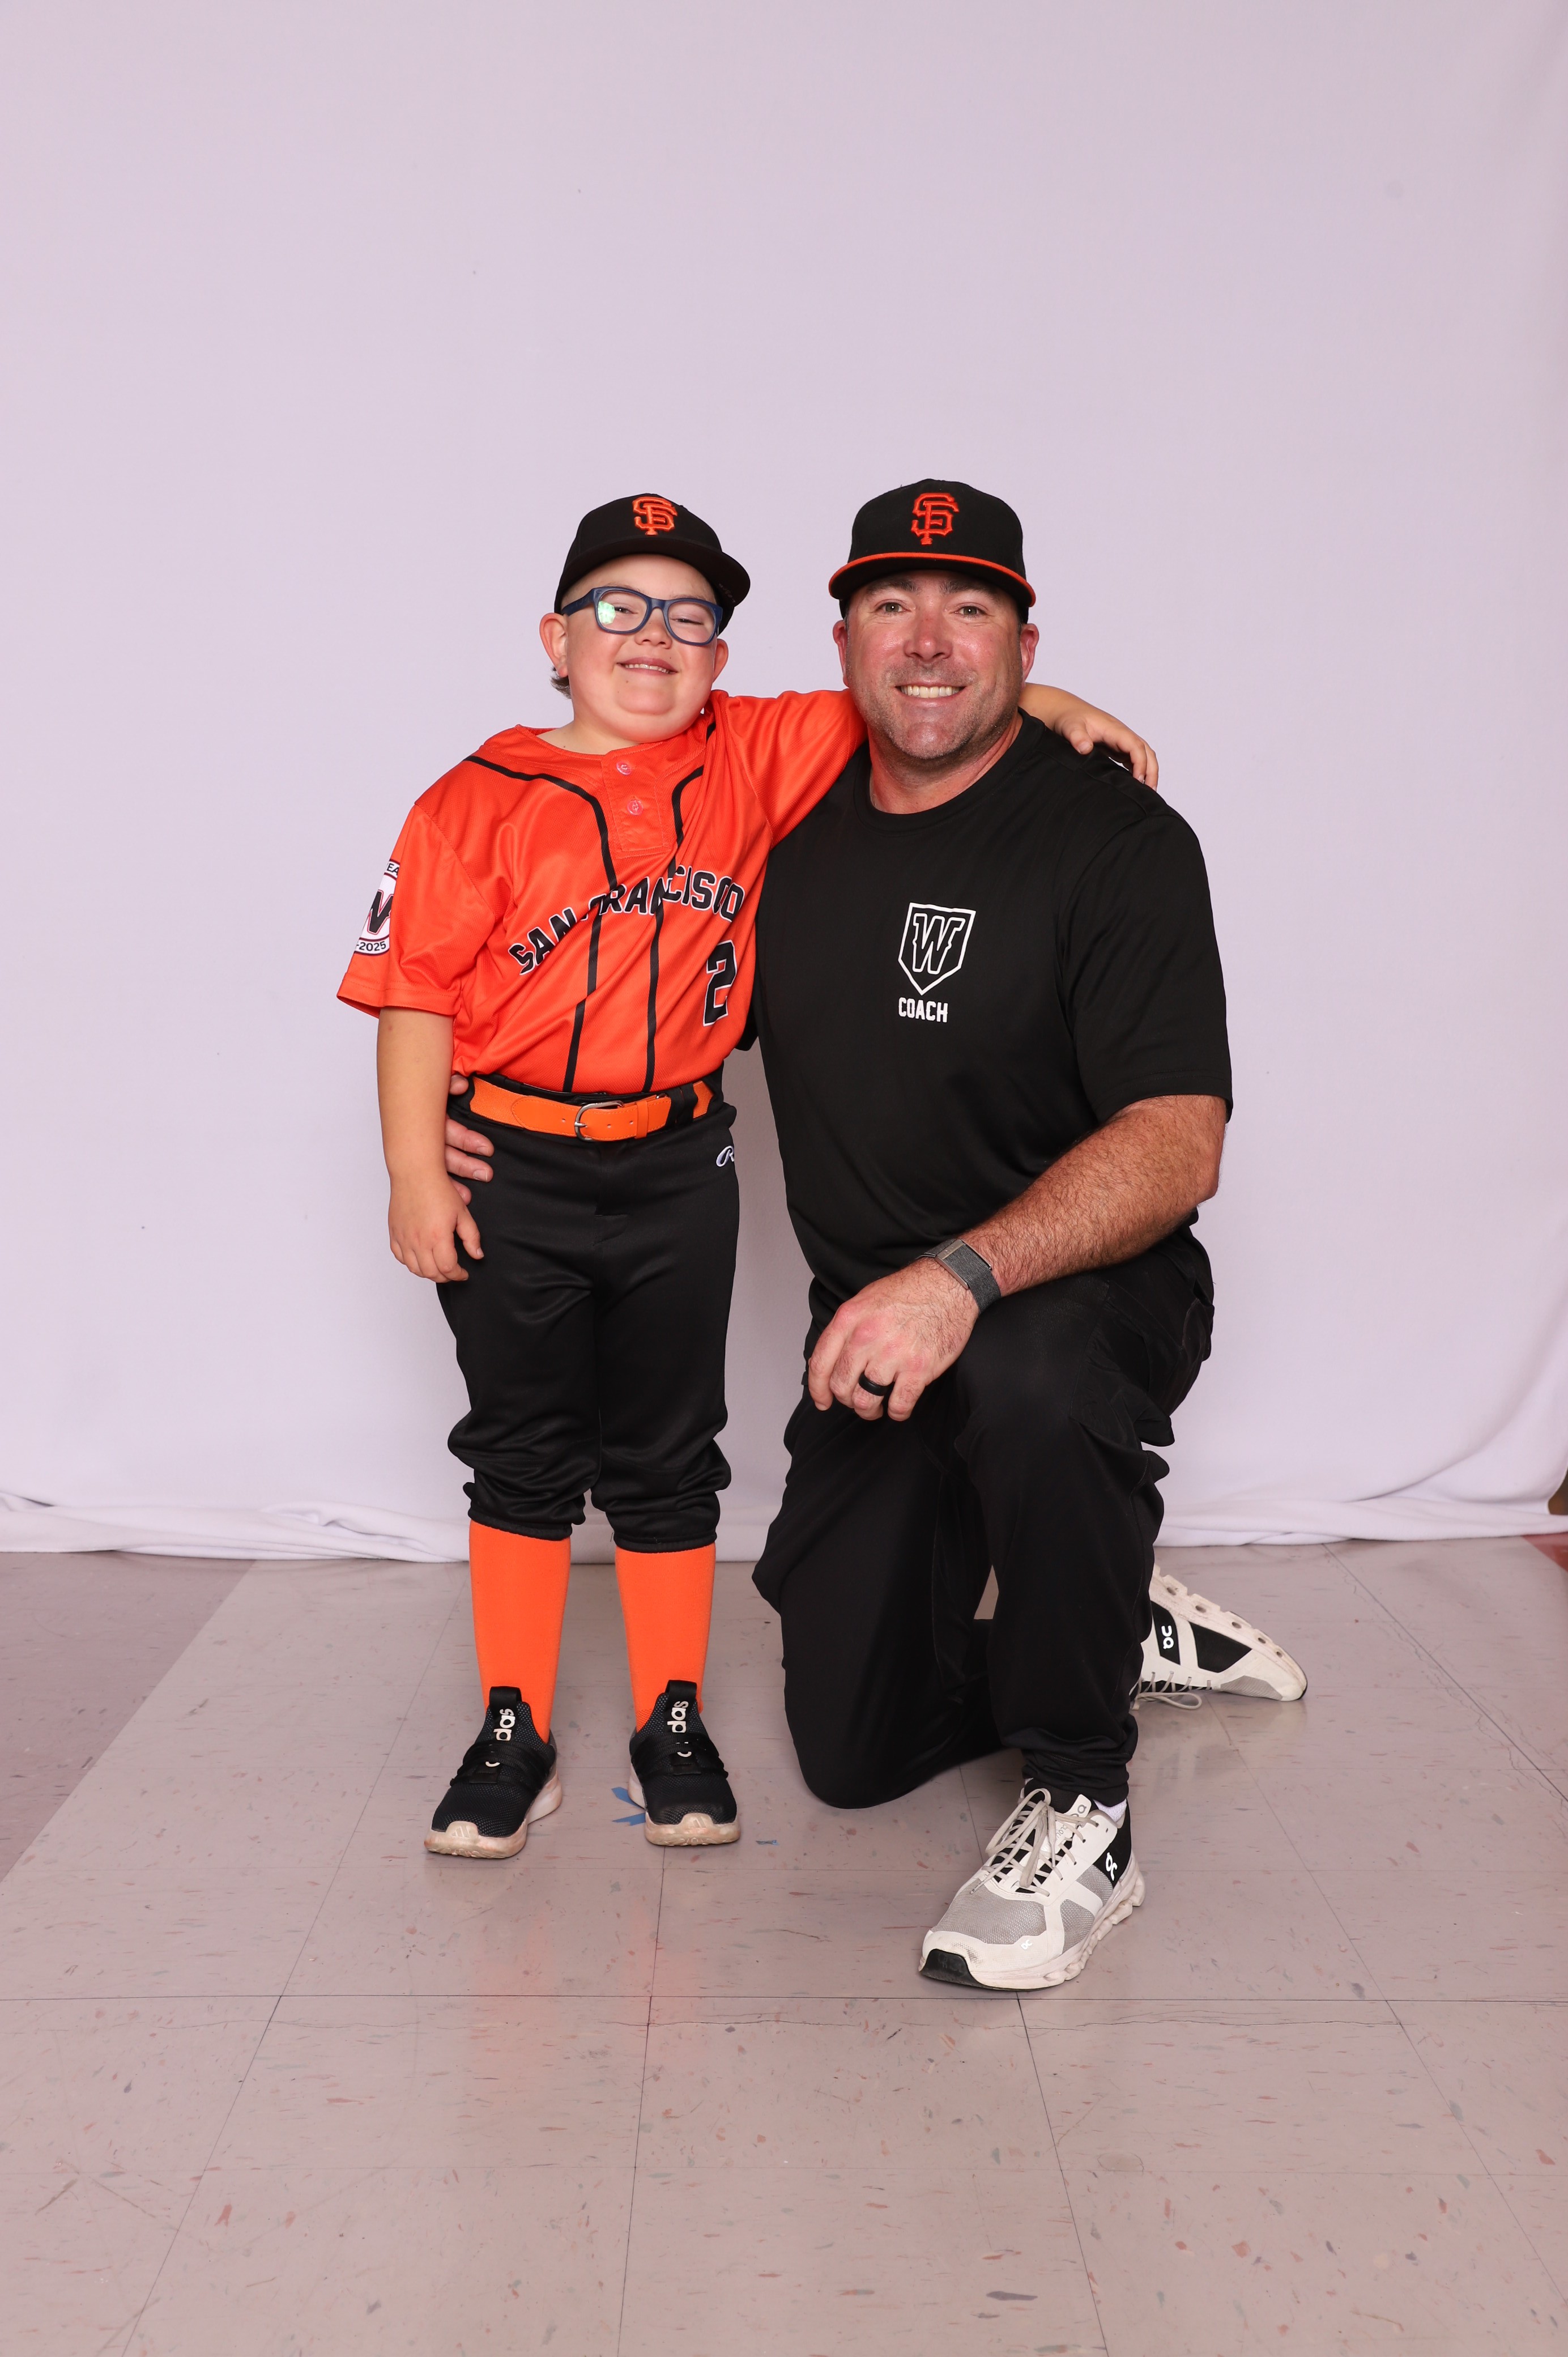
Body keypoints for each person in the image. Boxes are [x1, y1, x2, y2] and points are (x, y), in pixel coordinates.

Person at [340, 490, 1154, 1867]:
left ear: (721, 655)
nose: (652, 636)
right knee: (522, 1450)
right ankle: (511, 1726)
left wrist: (1056, 700)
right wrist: (417, 1167)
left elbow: (921, 694)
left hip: (677, 1162)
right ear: (554, 637)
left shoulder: (755, 748)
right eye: (617, 607)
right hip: (514, 1166)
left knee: (668, 1455)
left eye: (689, 616)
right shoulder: (468, 799)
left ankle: (670, 1717)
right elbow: (414, 991)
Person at [742, 479, 1306, 1991]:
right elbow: (627, 976)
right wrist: (468, 1115)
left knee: (1033, 1375)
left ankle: (1082, 1795)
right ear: (843, 642)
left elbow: (1178, 1142)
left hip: (1080, 1299)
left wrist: (961, 1278)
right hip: (881, 1331)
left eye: (971, 609)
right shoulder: (782, 828)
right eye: (893, 606)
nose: (929, 641)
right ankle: (1105, 1619)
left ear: (1025, 640)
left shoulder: (1115, 839)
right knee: (851, 1748)